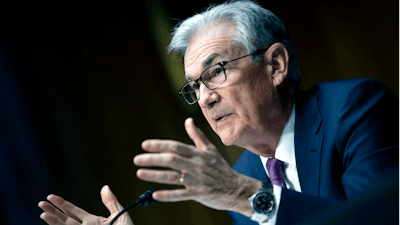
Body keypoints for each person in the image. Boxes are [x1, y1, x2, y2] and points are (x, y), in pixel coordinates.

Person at [38, 1, 399, 224]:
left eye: (215, 72)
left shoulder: (356, 108)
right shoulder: (246, 170)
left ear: (275, 65)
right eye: (195, 86)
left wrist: (243, 195)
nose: (205, 99)